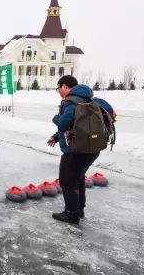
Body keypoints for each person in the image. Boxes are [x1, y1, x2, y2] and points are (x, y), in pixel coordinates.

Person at [47, 75, 114, 224]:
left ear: (64, 87)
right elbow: (79, 125)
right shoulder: (89, 99)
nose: (58, 91)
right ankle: (79, 209)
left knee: (67, 181)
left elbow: (64, 123)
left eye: (58, 88)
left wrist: (55, 118)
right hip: (92, 148)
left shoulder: (70, 102)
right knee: (78, 178)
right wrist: (56, 137)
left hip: (75, 150)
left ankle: (71, 214)